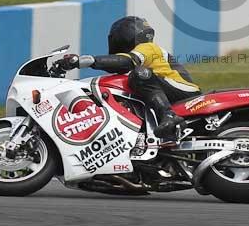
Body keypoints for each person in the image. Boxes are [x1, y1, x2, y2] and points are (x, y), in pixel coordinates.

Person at [49, 16, 201, 140]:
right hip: (169, 90)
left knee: (140, 75)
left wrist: (86, 61)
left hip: (183, 91)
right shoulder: (146, 50)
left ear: (124, 35)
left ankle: (169, 115)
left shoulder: (148, 47)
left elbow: (127, 62)